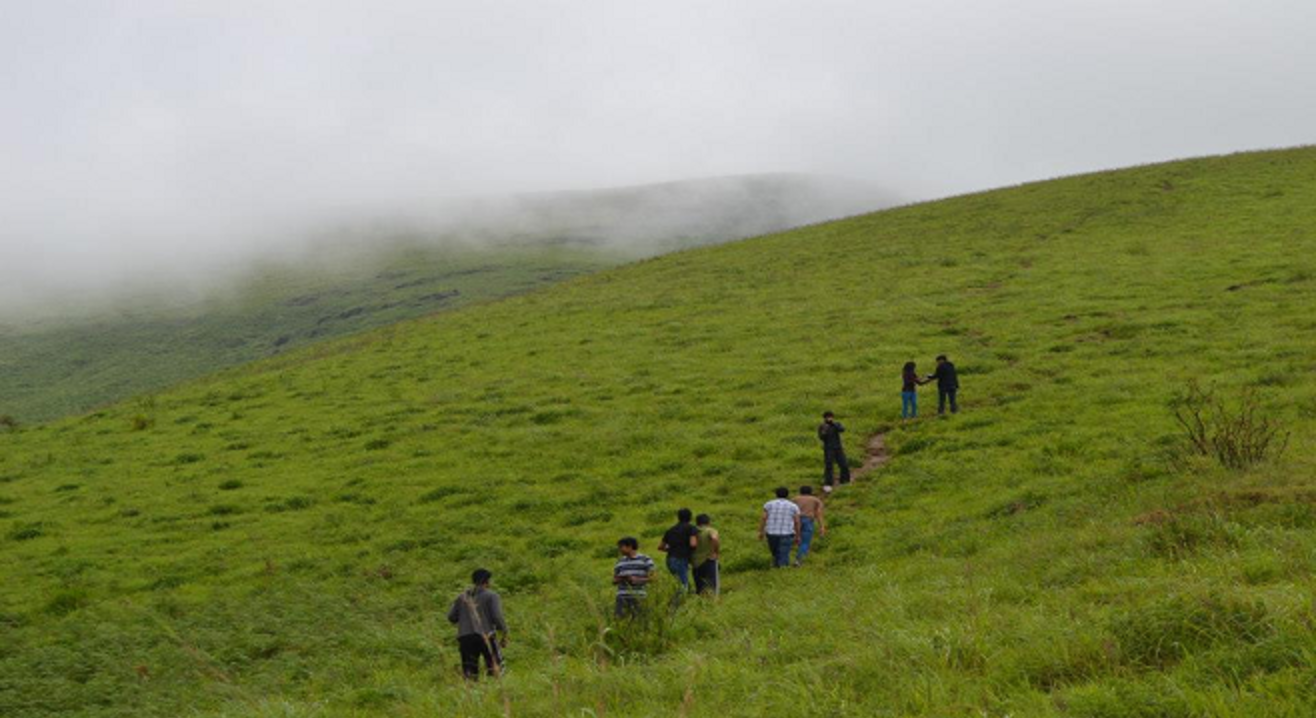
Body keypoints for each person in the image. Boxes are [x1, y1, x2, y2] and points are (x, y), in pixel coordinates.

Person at [446, 568, 508, 680]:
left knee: (469, 672)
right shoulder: (492, 596)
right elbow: (497, 616)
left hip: (465, 638)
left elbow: (451, 617)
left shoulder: (462, 597)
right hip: (486, 636)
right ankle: (496, 692)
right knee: (496, 668)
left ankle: (473, 694)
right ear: (487, 581)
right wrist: (504, 631)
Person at [758, 487, 801, 568]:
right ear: (787, 495)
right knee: (783, 553)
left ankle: (776, 568)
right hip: (787, 533)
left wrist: (761, 531)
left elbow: (764, 518)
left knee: (775, 552)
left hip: (771, 533)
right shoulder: (793, 506)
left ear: (776, 494)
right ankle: (782, 571)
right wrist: (798, 535)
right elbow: (797, 521)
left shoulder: (769, 504)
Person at [613, 537, 656, 618]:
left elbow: (654, 578)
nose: (619, 549)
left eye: (621, 547)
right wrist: (621, 579)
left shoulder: (645, 559)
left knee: (639, 620)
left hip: (639, 596)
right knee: (620, 621)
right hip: (622, 597)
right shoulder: (620, 561)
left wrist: (637, 580)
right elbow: (614, 580)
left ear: (630, 546)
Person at [657, 508, 699, 591]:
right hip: (681, 559)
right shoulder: (691, 528)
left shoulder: (671, 530)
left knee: (681, 584)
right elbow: (693, 544)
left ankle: (681, 601)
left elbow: (660, 547)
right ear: (690, 517)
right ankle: (677, 603)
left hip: (670, 560)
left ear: (678, 517)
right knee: (683, 586)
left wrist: (671, 549)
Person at [793, 485, 826, 566]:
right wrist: (821, 526)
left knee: (791, 540)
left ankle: (783, 561)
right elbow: (818, 513)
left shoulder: (794, 499)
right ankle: (799, 560)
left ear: (800, 491)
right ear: (811, 492)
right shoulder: (816, 500)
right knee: (805, 542)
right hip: (808, 520)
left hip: (795, 520)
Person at [817, 411, 851, 486]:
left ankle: (845, 480)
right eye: (828, 417)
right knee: (829, 465)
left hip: (838, 447)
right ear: (825, 418)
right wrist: (825, 431)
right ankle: (828, 481)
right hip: (828, 448)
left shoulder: (837, 424)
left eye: (831, 417)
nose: (830, 418)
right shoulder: (822, 426)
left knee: (844, 464)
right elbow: (821, 437)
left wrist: (833, 424)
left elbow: (842, 429)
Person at [692, 514, 721, 595]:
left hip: (695, 562)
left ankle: (700, 603)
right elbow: (714, 538)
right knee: (712, 585)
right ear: (708, 522)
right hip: (708, 560)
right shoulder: (710, 530)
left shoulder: (693, 531)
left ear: (697, 522)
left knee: (699, 586)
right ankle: (712, 603)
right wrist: (716, 552)